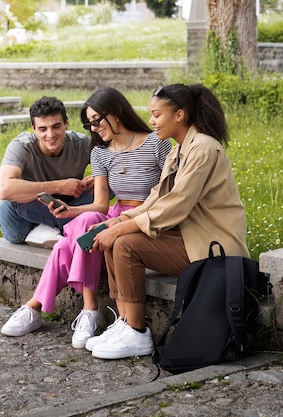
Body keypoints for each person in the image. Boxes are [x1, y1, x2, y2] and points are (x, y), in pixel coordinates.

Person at [85, 83, 250, 360]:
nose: (151, 121)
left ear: (180, 115)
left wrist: (122, 229)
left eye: (156, 114)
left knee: (126, 244)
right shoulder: (178, 151)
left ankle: (137, 333)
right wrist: (116, 222)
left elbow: (176, 206)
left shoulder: (204, 149)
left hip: (214, 249)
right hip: (190, 238)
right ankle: (124, 321)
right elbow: (156, 199)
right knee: (116, 239)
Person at [0, 87, 172, 349]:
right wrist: (68, 211)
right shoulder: (100, 152)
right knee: (84, 221)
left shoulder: (156, 143)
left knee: (65, 243)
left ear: (116, 114)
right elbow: (101, 204)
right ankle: (90, 310)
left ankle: (38, 306)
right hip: (115, 211)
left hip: (144, 215)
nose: (93, 128)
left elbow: (167, 193)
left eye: (96, 121)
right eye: (89, 123)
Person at [0, 96, 94, 249]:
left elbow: (116, 167)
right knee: (11, 198)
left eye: (56, 126)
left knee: (107, 186)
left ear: (66, 123)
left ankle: (50, 229)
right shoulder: (22, 146)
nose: (50, 134)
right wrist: (59, 186)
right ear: (33, 128)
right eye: (42, 129)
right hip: (23, 223)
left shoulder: (81, 144)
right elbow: (4, 189)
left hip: (66, 207)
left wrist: (98, 178)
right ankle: (64, 227)